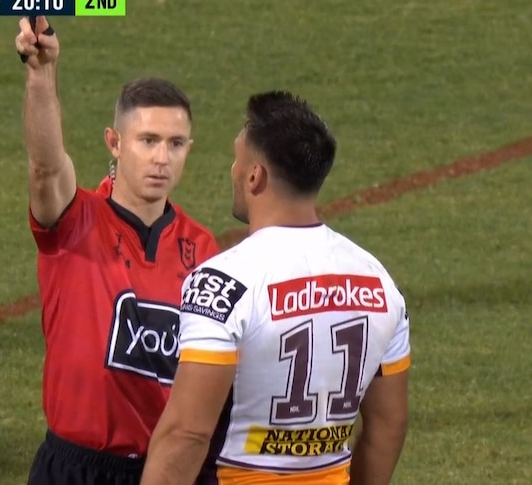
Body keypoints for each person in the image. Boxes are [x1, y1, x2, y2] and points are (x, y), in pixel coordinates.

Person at [139, 90, 411, 485]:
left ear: (255, 176)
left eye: (237, 159)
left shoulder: (222, 283)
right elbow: (389, 424)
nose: (233, 170)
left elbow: (188, 434)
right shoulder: (379, 282)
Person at [15, 15, 220, 485]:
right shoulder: (74, 220)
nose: (161, 158)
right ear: (115, 142)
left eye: (175, 144)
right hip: (76, 468)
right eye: (148, 141)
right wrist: (41, 74)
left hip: (168, 469)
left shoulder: (203, 248)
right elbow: (46, 168)